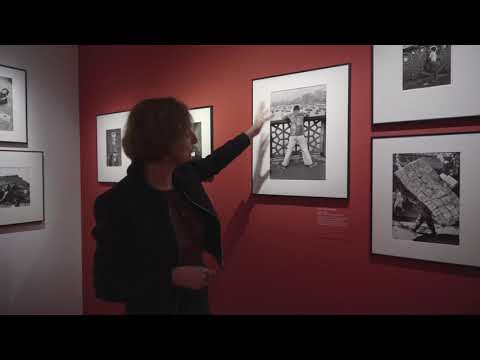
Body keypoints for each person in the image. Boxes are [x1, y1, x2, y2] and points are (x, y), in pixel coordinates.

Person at [91, 97, 272, 314]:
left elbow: (216, 161)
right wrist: (171, 277)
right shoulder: (117, 203)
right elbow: (106, 284)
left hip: (196, 304)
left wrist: (252, 131)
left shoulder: (186, 176)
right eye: (187, 133)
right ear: (163, 142)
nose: (194, 139)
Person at [279, 105, 318, 170]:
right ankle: (309, 163)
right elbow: (308, 115)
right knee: (304, 149)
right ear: (298, 109)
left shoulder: (290, 114)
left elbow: (282, 118)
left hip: (292, 134)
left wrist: (286, 113)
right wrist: (303, 112)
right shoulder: (302, 113)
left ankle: (284, 164)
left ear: (293, 109)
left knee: (289, 150)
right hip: (300, 134)